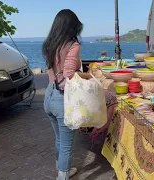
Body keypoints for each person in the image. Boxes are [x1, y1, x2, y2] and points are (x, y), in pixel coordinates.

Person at [42, 9, 91, 180]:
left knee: (59, 139)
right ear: (73, 27)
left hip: (48, 96)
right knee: (67, 145)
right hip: (63, 99)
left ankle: (61, 169)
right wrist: (88, 76)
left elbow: (53, 70)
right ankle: (62, 176)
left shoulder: (50, 44)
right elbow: (69, 73)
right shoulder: (73, 45)